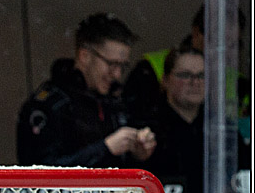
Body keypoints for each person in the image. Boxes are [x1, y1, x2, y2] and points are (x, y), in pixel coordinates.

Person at [17, 12, 156, 168]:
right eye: (111, 64)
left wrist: (139, 153)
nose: (117, 74)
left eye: (123, 66)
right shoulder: (49, 105)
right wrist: (105, 148)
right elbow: (38, 174)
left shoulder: (117, 101)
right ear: (85, 56)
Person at [144, 44, 206, 193]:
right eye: (185, 75)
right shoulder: (147, 129)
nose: (195, 82)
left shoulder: (219, 129)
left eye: (201, 75)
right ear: (165, 80)